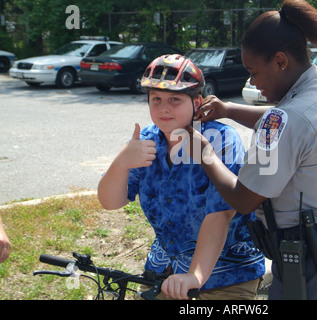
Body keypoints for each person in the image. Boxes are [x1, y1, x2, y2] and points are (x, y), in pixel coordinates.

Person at [187, 0, 317, 300]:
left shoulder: (284, 119)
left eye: (253, 72)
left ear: (281, 61)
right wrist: (229, 109)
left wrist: (204, 151)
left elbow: (243, 198)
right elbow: (295, 124)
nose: (252, 83)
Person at [97, 54, 265, 300]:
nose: (164, 108)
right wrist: (121, 163)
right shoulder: (147, 139)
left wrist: (195, 276)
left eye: (175, 99)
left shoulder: (220, 139)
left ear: (197, 102)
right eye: (156, 99)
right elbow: (110, 202)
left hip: (225, 274)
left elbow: (220, 215)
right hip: (162, 271)